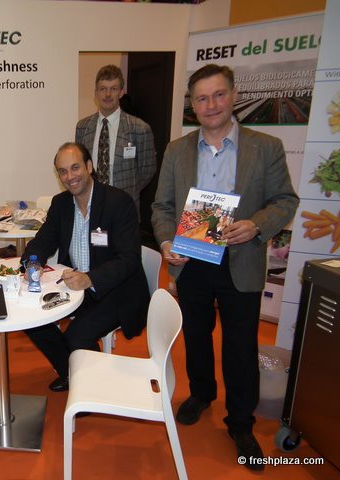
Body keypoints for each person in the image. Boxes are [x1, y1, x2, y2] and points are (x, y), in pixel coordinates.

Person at [151, 64, 299, 471]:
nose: (211, 104)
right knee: (196, 335)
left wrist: (256, 225)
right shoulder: (178, 150)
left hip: (241, 260)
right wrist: (166, 243)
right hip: (192, 260)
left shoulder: (265, 146)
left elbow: (285, 200)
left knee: (240, 346)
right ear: (193, 105)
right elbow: (162, 207)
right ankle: (202, 393)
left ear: (233, 96)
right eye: (202, 98)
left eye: (218, 95)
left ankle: (240, 422)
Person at [22, 142, 149, 392]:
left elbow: (129, 259)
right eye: (63, 171)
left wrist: (90, 279)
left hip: (116, 289)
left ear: (89, 166)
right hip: (76, 286)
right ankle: (72, 372)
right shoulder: (61, 204)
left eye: (75, 167)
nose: (70, 176)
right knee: (32, 320)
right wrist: (32, 262)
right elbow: (42, 241)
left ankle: (93, 387)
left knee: (76, 335)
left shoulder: (118, 202)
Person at [75, 64, 157, 217]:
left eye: (113, 89)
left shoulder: (139, 128)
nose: (108, 94)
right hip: (90, 207)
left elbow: (147, 171)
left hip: (124, 208)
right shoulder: (82, 127)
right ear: (95, 93)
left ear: (121, 92)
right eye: (103, 89)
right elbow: (80, 166)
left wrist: (128, 188)